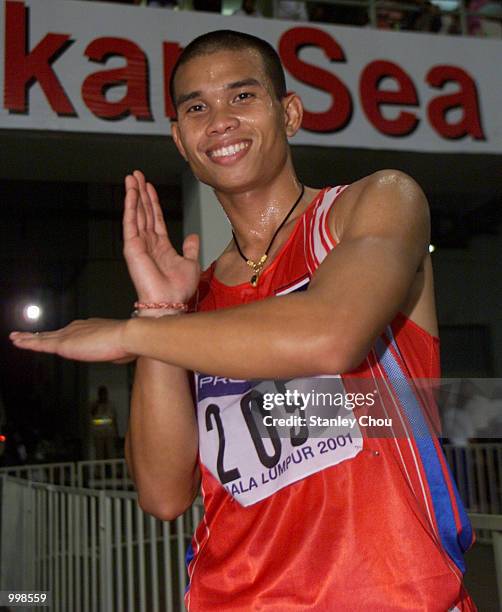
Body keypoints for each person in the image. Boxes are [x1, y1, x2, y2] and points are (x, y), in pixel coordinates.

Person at [10, 30, 476, 611]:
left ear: (290, 113)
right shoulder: (190, 306)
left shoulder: (374, 204)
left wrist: (131, 333)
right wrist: (157, 310)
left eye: (242, 97)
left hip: (396, 594)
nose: (220, 120)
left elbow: (330, 335)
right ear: (181, 140)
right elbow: (162, 494)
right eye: (197, 107)